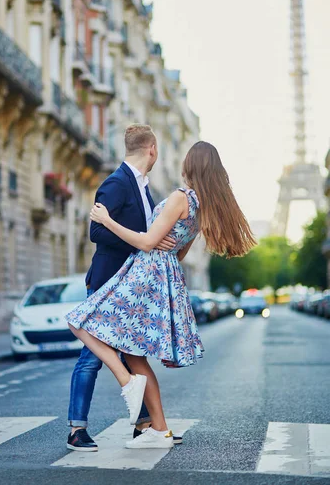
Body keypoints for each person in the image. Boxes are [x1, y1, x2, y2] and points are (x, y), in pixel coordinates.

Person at [66, 140, 256, 450]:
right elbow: (177, 253)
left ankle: (127, 382)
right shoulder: (200, 208)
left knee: (80, 322)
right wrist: (158, 244)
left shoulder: (180, 198)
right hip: (164, 275)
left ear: (190, 166)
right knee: (135, 356)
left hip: (143, 276)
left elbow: (145, 242)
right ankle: (160, 430)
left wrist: (107, 221)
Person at [67, 124, 178, 452]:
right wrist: (142, 244)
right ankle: (76, 429)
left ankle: (148, 426)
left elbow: (146, 232)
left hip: (130, 288)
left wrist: (158, 240)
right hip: (107, 284)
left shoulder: (143, 187)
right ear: (152, 150)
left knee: (133, 354)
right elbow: (96, 233)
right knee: (91, 357)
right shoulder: (116, 183)